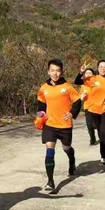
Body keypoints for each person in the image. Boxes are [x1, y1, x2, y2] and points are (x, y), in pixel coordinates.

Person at [37, 59, 82, 191]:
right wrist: (40, 116)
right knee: (49, 149)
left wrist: (72, 113)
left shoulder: (67, 87)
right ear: (48, 71)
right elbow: (41, 105)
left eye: (57, 71)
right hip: (49, 124)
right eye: (52, 71)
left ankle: (72, 161)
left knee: (66, 147)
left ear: (61, 72)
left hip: (64, 125)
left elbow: (77, 101)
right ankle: (50, 181)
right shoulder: (43, 88)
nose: (55, 73)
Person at [75, 60, 105, 165]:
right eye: (101, 67)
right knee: (100, 132)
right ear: (98, 68)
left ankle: (103, 155)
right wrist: (81, 72)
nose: (103, 69)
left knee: (103, 130)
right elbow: (77, 82)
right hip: (94, 108)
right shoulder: (92, 78)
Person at [79, 68, 98, 146]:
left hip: (97, 107)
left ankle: (102, 135)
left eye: (90, 73)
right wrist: (82, 97)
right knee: (89, 125)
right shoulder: (83, 86)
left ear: (93, 75)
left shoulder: (97, 84)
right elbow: (80, 97)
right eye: (86, 73)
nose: (88, 74)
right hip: (87, 107)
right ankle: (92, 140)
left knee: (96, 124)